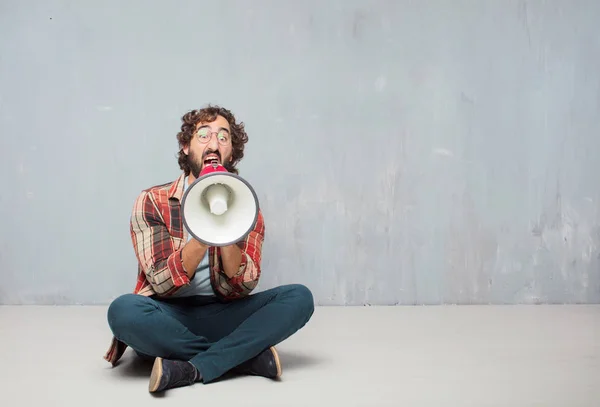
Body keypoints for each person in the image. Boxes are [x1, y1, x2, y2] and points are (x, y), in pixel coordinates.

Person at [103, 105, 314, 393]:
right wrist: (203, 229)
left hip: (225, 313)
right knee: (123, 312)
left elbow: (241, 288)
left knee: (299, 298)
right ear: (185, 145)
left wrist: (226, 223)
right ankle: (241, 358)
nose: (214, 143)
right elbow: (162, 284)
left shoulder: (245, 207)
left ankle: (191, 367)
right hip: (169, 316)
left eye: (223, 137)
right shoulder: (152, 200)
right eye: (203, 135)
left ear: (231, 152)